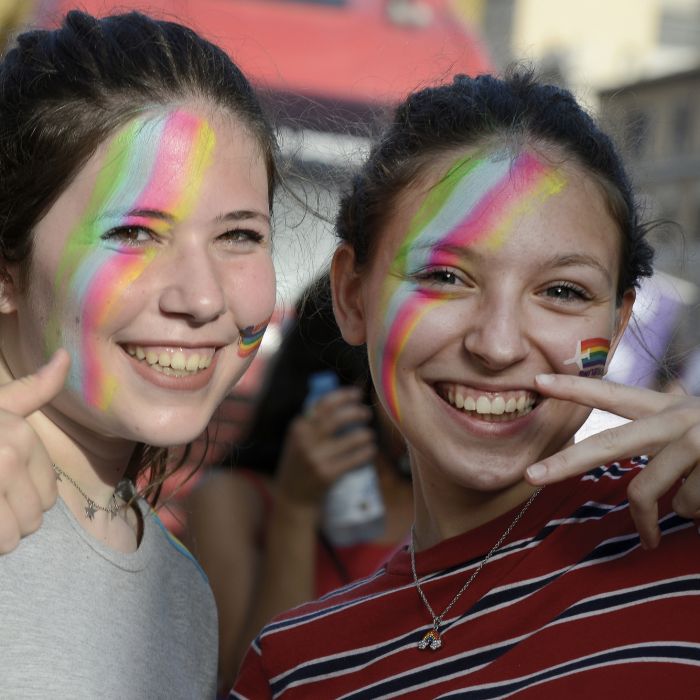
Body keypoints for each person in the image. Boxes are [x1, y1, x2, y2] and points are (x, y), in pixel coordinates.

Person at [231, 70, 700, 698]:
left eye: (562, 291)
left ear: (615, 328)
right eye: (446, 277)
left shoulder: (685, 538)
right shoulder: (293, 667)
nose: (497, 344)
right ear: (352, 296)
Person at [0, 10, 278, 697]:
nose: (203, 298)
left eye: (239, 236)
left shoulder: (183, 593)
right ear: (6, 270)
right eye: (134, 233)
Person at [186, 272, 413, 691]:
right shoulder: (236, 499)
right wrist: (296, 508)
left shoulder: (436, 496)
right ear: (349, 385)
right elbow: (249, 677)